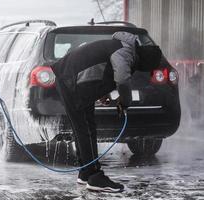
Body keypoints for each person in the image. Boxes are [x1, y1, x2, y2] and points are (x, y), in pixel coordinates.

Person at [51, 31, 162, 192]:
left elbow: (100, 67)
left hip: (73, 80)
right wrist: (125, 102)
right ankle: (94, 177)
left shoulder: (123, 48)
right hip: (71, 81)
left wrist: (102, 93)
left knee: (87, 127)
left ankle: (85, 172)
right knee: (84, 129)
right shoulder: (125, 52)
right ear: (144, 61)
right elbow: (122, 79)